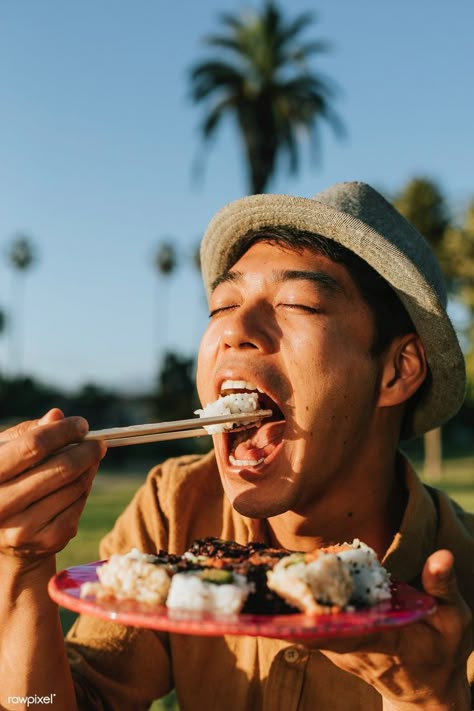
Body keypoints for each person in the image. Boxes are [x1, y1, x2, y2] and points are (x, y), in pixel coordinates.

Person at [0, 181, 472, 711]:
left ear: (396, 370)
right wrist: (22, 569)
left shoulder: (459, 587)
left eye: (298, 302)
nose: (236, 330)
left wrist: (430, 700)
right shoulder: (175, 508)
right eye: (221, 306)